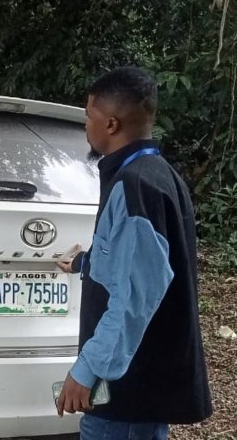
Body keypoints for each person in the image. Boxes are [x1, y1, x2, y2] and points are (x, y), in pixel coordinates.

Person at [56, 66, 212, 440]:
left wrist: (87, 370)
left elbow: (135, 297)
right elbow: (140, 265)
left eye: (89, 116)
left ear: (110, 124)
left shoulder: (135, 186)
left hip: (127, 395)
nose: (85, 125)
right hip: (138, 390)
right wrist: (83, 263)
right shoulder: (158, 174)